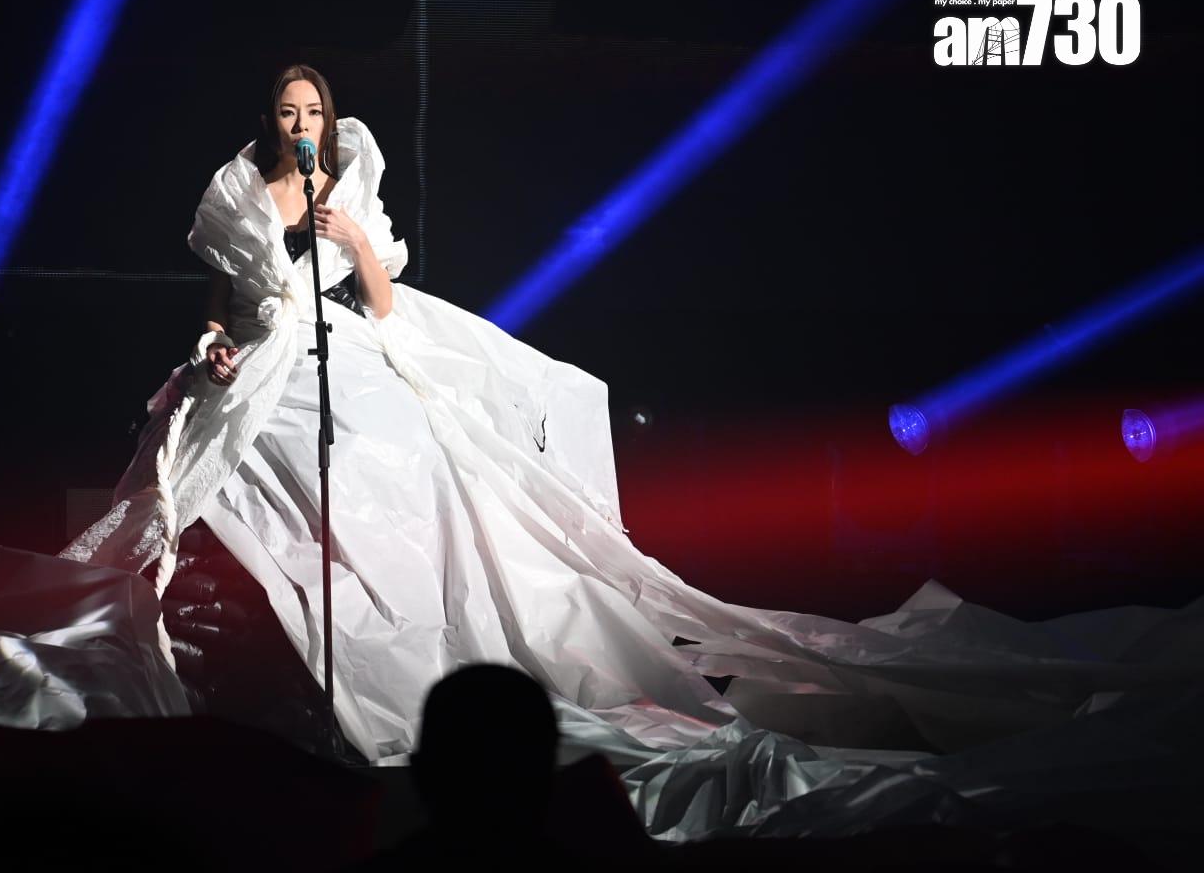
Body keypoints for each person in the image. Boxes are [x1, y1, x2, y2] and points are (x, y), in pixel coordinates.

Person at [59, 64, 1202, 840]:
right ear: (271, 117)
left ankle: (409, 644)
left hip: (342, 348)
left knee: (405, 470)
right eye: (289, 108)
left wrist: (354, 240)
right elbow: (222, 304)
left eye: (314, 107)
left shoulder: (346, 191)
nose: (302, 121)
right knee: (210, 478)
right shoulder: (241, 197)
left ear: (328, 115)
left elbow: (382, 298)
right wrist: (215, 347)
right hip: (259, 361)